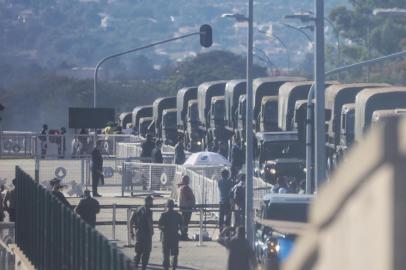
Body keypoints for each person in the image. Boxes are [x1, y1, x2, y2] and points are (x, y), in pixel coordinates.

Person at [130, 195, 154, 270]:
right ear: (148, 201)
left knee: (138, 252)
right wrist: (151, 232)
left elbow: (130, 221)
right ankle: (143, 267)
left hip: (138, 233)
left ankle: (135, 266)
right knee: (146, 252)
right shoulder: (148, 210)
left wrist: (131, 232)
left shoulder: (138, 209)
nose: (152, 202)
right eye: (151, 201)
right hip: (146, 234)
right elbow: (149, 222)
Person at [159, 199, 183, 270]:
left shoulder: (163, 215)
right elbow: (182, 226)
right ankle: (173, 267)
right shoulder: (178, 215)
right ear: (173, 206)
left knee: (166, 255)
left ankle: (166, 268)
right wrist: (178, 231)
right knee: (174, 254)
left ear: (167, 206)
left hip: (166, 237)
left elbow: (159, 225)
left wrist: (164, 230)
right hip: (174, 236)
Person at [178, 175, 195, 240]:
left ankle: (184, 234)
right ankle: (184, 235)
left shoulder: (181, 187)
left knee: (184, 222)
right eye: (188, 179)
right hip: (187, 207)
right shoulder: (185, 188)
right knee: (185, 222)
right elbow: (188, 198)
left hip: (184, 207)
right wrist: (193, 203)